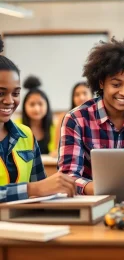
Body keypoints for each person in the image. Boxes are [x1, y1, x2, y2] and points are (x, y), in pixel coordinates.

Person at [58, 37, 124, 195]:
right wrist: (100, 188)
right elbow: (67, 178)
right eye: (116, 85)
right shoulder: (76, 119)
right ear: (101, 83)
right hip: (91, 203)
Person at [0, 35, 75, 203]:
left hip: (24, 225)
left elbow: (42, 189)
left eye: (16, 93)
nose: (10, 101)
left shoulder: (25, 135)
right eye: (1, 93)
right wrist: (33, 189)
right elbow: (37, 188)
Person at [16, 76, 55, 155]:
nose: (37, 109)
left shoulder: (55, 127)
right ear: (24, 106)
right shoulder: (15, 126)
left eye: (40, 104)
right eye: (32, 104)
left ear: (47, 105)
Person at [54, 81, 93, 153]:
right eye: (77, 95)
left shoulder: (97, 117)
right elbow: (57, 148)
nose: (81, 97)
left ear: (92, 95)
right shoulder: (64, 117)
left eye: (85, 93)